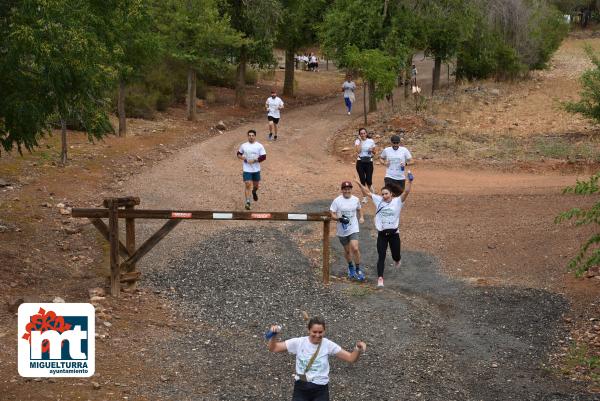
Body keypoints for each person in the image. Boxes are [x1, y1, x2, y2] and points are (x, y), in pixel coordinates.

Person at [267, 316, 367, 401]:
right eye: (314, 332)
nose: (317, 335)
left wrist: (358, 348)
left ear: (324, 331)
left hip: (320, 388)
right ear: (308, 330)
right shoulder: (298, 342)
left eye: (320, 332)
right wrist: (273, 335)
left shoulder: (328, 345)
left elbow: (351, 358)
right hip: (301, 385)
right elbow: (274, 348)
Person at [355, 173, 413, 288]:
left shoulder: (398, 201)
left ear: (391, 194)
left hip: (394, 234)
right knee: (381, 256)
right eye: (382, 194)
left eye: (386, 194)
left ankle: (397, 260)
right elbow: (367, 192)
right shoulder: (379, 200)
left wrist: (410, 181)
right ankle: (380, 278)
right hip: (382, 234)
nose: (384, 196)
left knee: (396, 255)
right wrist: (358, 183)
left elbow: (406, 192)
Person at [329, 181, 365, 281]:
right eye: (345, 189)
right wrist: (339, 219)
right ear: (342, 190)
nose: (347, 190)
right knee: (347, 250)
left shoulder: (356, 199)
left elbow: (359, 208)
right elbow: (332, 213)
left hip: (353, 227)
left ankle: (358, 269)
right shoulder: (337, 201)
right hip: (342, 229)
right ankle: (351, 267)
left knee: (355, 248)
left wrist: (361, 217)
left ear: (351, 189)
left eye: (349, 189)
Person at [237, 129, 266, 210]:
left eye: (252, 135)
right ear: (248, 136)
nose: (251, 137)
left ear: (255, 136)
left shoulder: (259, 146)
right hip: (247, 169)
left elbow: (264, 156)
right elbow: (238, 154)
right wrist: (244, 159)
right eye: (249, 135)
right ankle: (248, 202)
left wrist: (255, 160)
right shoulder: (243, 145)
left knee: (256, 186)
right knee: (247, 184)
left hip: (256, 169)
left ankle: (254, 192)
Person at [354, 128, 376, 204]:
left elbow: (374, 152)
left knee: (369, 181)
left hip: (369, 161)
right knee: (362, 181)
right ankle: (365, 197)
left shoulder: (371, 141)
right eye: (361, 133)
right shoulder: (357, 141)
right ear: (359, 135)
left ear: (366, 133)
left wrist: (371, 151)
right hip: (360, 161)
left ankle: (371, 190)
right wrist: (360, 141)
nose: (363, 135)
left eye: (364, 133)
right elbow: (358, 151)